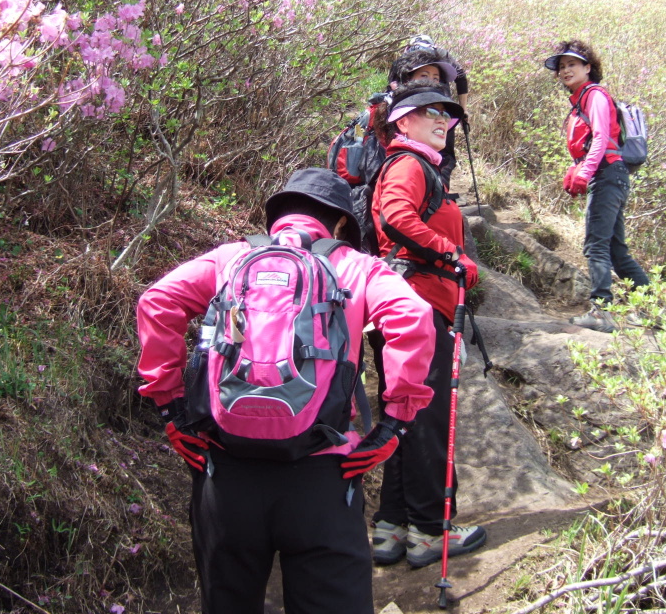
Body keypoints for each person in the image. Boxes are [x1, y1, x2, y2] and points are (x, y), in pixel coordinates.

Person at [136, 168, 437, 614]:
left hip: (225, 476)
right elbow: (413, 318)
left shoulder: (231, 260)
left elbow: (156, 301)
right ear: (338, 224)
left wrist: (170, 409)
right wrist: (395, 423)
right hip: (323, 479)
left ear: (276, 217)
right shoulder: (356, 267)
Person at [367, 78, 487, 568]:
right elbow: (395, 216)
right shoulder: (410, 165)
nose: (444, 120)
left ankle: (392, 527)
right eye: (430, 112)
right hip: (420, 306)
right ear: (402, 121)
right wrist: (454, 255)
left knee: (405, 416)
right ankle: (432, 531)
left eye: (448, 114)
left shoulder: (412, 165)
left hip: (404, 307)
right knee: (431, 420)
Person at [544, 39, 650, 332]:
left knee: (595, 246)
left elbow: (602, 138)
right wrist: (577, 168)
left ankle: (602, 312)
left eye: (572, 65)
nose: (565, 71)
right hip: (608, 176)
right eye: (562, 67)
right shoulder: (580, 100)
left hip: (607, 175)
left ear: (588, 68)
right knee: (616, 250)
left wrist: (585, 171)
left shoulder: (595, 96)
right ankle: (650, 309)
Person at [387, 35, 469, 187]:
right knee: (445, 156)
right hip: (441, 103)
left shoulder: (402, 60)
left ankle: (436, 194)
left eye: (435, 78)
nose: (430, 82)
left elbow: (390, 86)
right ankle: (440, 191)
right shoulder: (443, 55)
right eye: (424, 76)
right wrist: (462, 110)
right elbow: (461, 76)